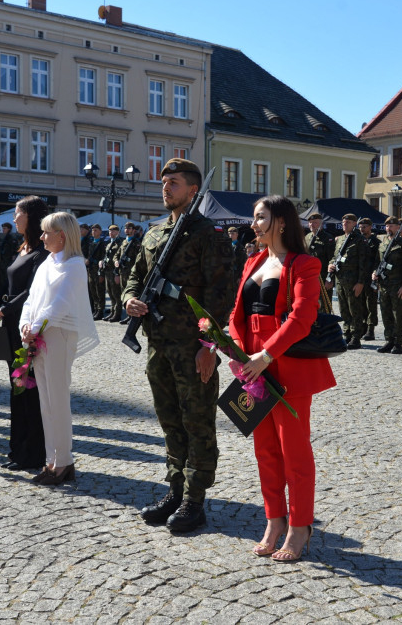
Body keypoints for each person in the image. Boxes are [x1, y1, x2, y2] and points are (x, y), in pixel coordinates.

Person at [123, 158, 232, 533]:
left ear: (192, 190)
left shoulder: (208, 235)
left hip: (192, 346)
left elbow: (221, 296)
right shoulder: (153, 234)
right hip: (158, 343)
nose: (165, 187)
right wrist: (129, 300)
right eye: (164, 182)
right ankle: (175, 489)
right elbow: (134, 277)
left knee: (197, 420)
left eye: (173, 182)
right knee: (170, 420)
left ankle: (194, 500)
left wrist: (209, 346)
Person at [228, 195, 336, 562]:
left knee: (294, 451)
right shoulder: (252, 261)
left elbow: (302, 317)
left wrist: (265, 355)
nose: (254, 224)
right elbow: (235, 314)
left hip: (285, 365)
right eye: (254, 218)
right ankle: (274, 520)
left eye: (260, 218)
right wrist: (241, 353)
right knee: (265, 451)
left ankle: (300, 525)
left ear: (282, 222)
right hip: (253, 366)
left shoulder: (305, 263)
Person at [18, 211, 99, 485]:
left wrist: (35, 327)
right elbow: (31, 299)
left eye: (46, 232)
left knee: (58, 399)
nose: (41, 237)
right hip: (40, 334)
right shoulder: (47, 263)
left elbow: (60, 304)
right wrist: (25, 325)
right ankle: (51, 460)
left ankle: (63, 461)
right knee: (46, 401)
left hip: (59, 335)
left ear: (62, 235)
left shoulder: (75, 264)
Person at [0, 196, 50, 471]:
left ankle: (32, 453)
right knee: (16, 388)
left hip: (27, 327)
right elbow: (5, 284)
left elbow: (29, 292)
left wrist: (2, 311)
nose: (13, 218)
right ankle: (17, 448)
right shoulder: (23, 248)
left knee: (29, 389)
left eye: (17, 213)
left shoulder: (42, 252)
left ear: (30, 217)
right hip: (11, 325)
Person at [325, 214, 369, 349]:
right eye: (344, 222)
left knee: (354, 309)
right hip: (340, 280)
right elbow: (335, 257)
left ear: (354, 224)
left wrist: (361, 282)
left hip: (353, 281)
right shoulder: (340, 239)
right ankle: (347, 334)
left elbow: (364, 263)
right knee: (344, 309)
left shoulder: (359, 240)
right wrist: (330, 265)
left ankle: (356, 336)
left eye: (348, 222)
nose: (345, 224)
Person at [372, 217, 402, 354]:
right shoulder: (383, 242)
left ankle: (398, 343)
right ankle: (389, 340)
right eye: (387, 226)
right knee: (386, 313)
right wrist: (374, 273)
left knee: (398, 315)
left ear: (398, 228)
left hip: (397, 285)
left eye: (392, 226)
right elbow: (377, 261)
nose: (389, 228)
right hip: (384, 284)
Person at [357, 218, 380, 341]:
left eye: (365, 226)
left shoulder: (376, 242)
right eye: (360, 226)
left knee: (371, 304)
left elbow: (379, 260)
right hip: (360, 278)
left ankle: (370, 330)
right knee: (360, 304)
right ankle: (362, 327)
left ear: (370, 227)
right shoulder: (357, 241)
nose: (362, 229)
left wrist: (376, 276)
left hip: (371, 277)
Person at [116, 222, 142, 325]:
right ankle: (128, 316)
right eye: (126, 228)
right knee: (124, 294)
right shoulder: (123, 242)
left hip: (131, 274)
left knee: (132, 295)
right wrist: (116, 261)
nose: (127, 230)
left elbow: (139, 259)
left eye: (129, 228)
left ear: (133, 230)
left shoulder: (136, 243)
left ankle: (133, 318)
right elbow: (117, 255)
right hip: (122, 272)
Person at [102, 224, 125, 321]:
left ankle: (117, 313)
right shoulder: (108, 243)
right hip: (107, 271)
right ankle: (112, 312)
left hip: (114, 271)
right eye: (110, 231)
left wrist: (117, 273)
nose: (111, 233)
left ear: (118, 232)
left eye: (113, 231)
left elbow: (119, 258)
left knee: (116, 293)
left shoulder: (120, 243)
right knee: (110, 293)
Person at [304, 213, 334, 283]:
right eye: (310, 222)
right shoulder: (307, 237)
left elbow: (332, 259)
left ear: (321, 224)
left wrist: (329, 279)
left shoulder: (328, 238)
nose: (312, 224)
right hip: (309, 274)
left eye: (315, 222)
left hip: (322, 275)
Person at [86, 224, 107, 319]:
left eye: (96, 230)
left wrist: (101, 273)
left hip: (98, 271)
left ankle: (100, 310)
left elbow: (103, 258)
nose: (94, 232)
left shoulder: (102, 244)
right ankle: (95, 309)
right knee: (93, 291)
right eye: (93, 230)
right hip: (91, 271)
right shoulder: (91, 243)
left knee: (100, 291)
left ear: (100, 232)